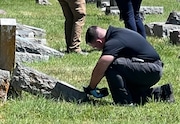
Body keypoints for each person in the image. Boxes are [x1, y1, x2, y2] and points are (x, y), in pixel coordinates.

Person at [83, 25, 175, 105]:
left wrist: (91, 87)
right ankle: (163, 92)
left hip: (151, 69)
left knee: (111, 65)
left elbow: (102, 65)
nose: (98, 49)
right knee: (132, 94)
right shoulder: (117, 33)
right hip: (151, 68)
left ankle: (124, 102)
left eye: (95, 47)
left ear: (99, 41)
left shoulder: (113, 41)